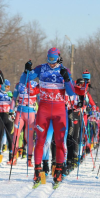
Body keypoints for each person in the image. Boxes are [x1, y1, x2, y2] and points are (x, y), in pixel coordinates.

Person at [20, 47, 75, 186]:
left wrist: (67, 79)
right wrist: (26, 70)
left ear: (58, 58)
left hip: (59, 111)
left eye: (54, 60)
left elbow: (71, 93)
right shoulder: (41, 68)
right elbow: (23, 81)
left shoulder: (64, 70)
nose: (51, 63)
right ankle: (37, 172)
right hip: (43, 110)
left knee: (60, 142)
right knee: (40, 141)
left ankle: (58, 172)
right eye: (49, 60)